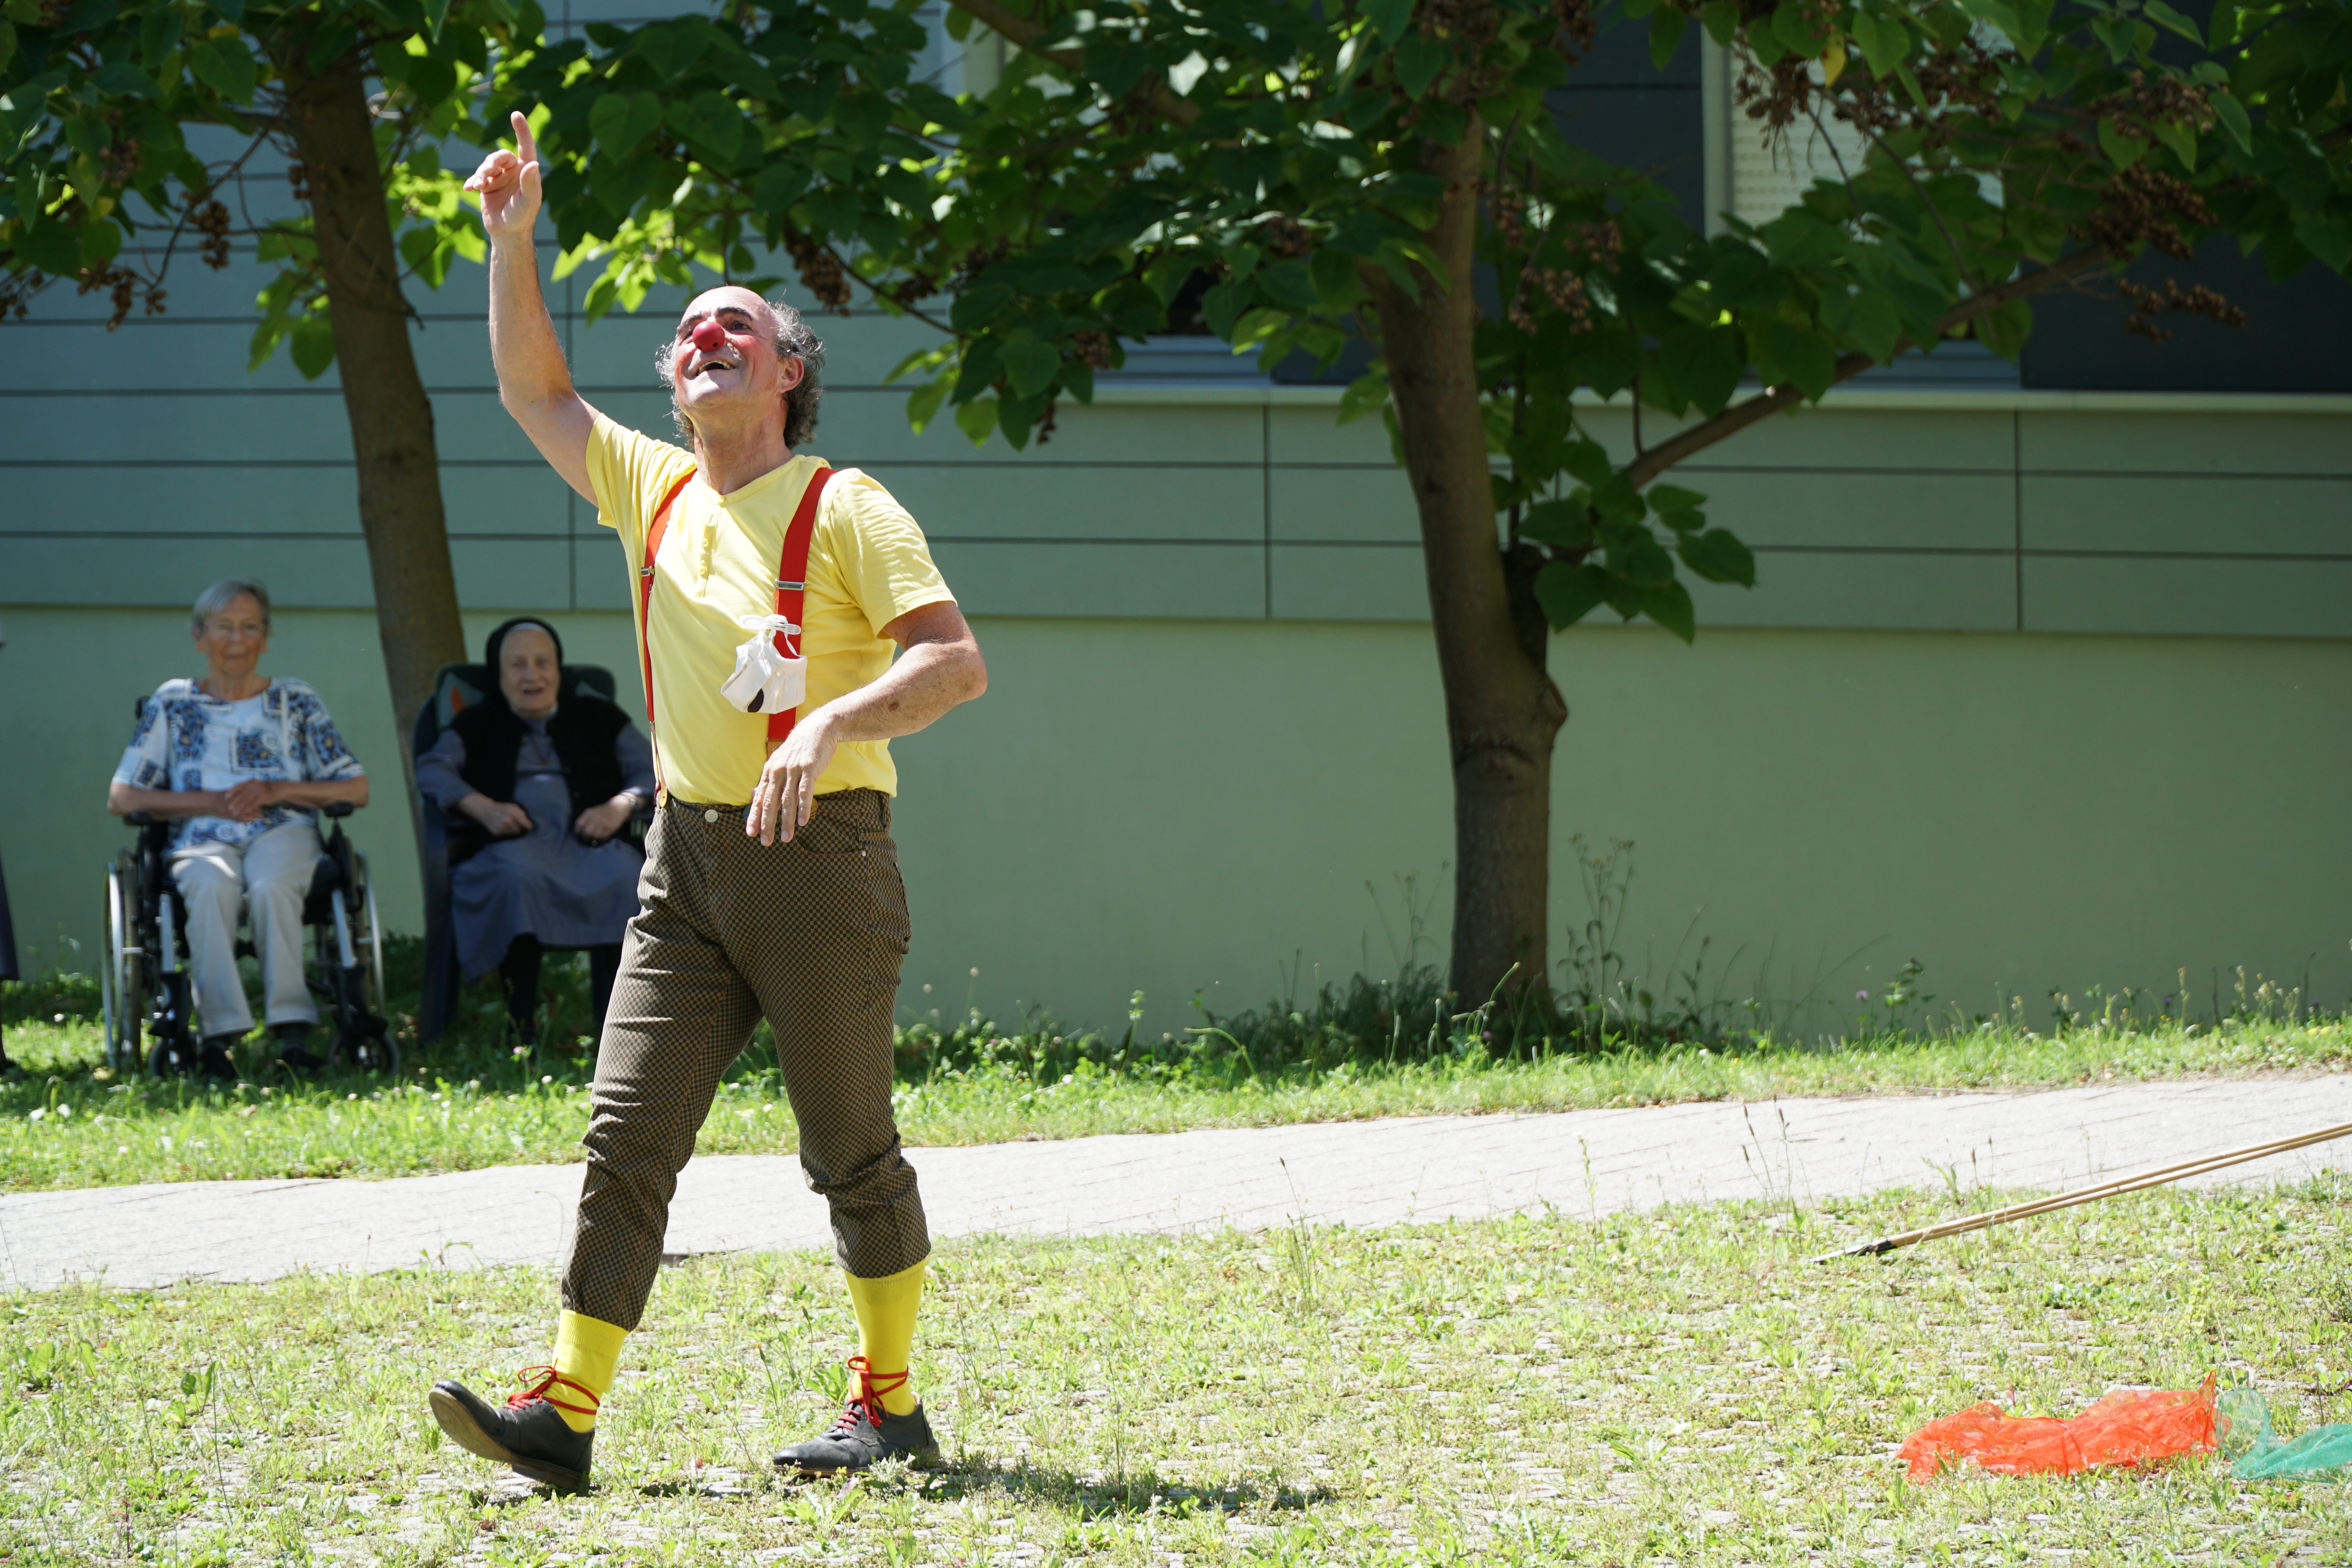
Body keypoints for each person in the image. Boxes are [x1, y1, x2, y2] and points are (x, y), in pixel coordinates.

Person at [428, 111, 988, 1494]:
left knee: (849, 1148)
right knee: (626, 1135)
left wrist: (832, 720)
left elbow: (953, 663)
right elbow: (535, 390)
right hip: (683, 863)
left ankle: (890, 1406)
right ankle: (564, 1410)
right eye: (688, 331)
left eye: (737, 323)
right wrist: (512, 241)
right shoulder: (654, 487)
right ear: (677, 390)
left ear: (790, 372)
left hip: (821, 854)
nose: (706, 336)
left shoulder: (845, 507)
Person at [107, 579, 370, 1080]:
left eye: (250, 627)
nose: (236, 639)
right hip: (201, 837)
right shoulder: (172, 703)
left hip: (282, 829)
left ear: (265, 639)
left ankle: (292, 1030)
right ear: (199, 636)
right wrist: (211, 802)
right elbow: (122, 796)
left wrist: (275, 790)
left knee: (272, 884)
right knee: (209, 885)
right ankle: (218, 1035)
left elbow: (356, 787)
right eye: (223, 627)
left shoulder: (296, 700)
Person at [416, 617, 655, 1047]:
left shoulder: (600, 717)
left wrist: (619, 805)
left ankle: (621, 1032)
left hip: (589, 846)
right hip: (511, 851)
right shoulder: (476, 723)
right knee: (517, 879)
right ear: (499, 674)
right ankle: (521, 1030)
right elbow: (433, 770)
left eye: (543, 663)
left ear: (558, 670)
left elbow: (651, 770)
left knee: (628, 876)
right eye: (518, 665)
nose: (532, 675)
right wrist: (483, 808)